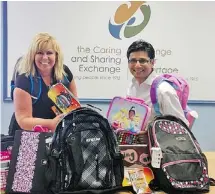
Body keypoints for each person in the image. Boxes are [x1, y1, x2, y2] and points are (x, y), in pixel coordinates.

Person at [10, 32, 78, 132]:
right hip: (27, 136)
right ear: (32, 55)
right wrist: (51, 124)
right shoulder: (24, 79)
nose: (45, 57)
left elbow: (74, 110)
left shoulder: (65, 74)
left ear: (56, 55)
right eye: (40, 53)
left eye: (49, 53)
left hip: (57, 135)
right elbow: (23, 120)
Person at [126, 40, 189, 132]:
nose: (137, 65)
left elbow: (180, 128)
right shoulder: (132, 86)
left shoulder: (163, 90)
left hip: (157, 145)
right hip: (136, 141)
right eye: (133, 61)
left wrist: (150, 133)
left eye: (142, 61)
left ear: (152, 62)